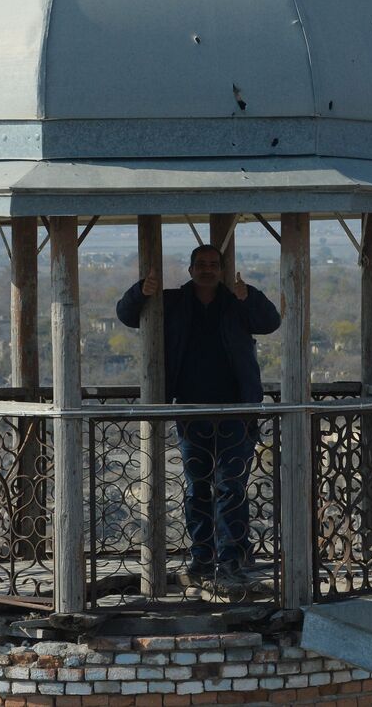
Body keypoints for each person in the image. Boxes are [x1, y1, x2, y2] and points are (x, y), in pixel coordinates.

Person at [116, 244, 281, 583]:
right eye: (201, 264)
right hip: (191, 411)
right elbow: (126, 315)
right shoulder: (174, 302)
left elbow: (271, 322)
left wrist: (249, 294)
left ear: (221, 269)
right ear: (191, 270)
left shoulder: (236, 301)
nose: (207, 269)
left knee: (231, 487)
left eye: (213, 264)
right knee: (197, 488)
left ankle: (232, 556)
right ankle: (204, 556)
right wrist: (140, 291)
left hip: (237, 411)